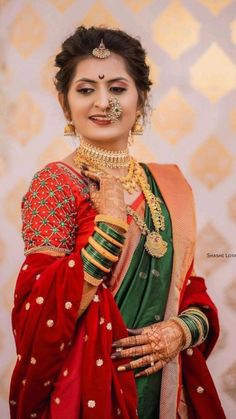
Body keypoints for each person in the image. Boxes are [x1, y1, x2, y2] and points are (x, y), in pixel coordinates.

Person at [9, 26, 226, 419]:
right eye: (87, 89)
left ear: (140, 101)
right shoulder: (55, 183)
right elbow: (35, 315)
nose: (103, 102)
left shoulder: (168, 186)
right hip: (87, 393)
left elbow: (190, 290)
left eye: (118, 89)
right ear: (64, 103)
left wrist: (180, 332)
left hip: (159, 388)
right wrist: (108, 228)